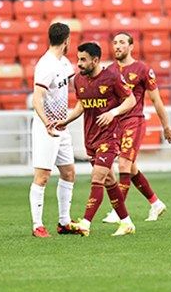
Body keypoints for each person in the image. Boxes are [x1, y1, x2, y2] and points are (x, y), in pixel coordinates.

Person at [50, 42, 136, 237]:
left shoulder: (112, 77)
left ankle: (86, 223)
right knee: (108, 181)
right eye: (78, 59)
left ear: (95, 60)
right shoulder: (79, 80)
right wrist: (65, 120)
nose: (78, 64)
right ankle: (126, 223)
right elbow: (82, 104)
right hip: (91, 138)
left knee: (97, 178)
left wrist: (113, 113)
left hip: (110, 136)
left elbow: (131, 100)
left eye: (83, 60)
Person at [102, 33, 171, 224]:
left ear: (131, 46)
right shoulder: (109, 71)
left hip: (134, 121)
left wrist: (166, 126)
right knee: (131, 168)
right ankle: (155, 203)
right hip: (115, 125)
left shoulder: (142, 69)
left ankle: (118, 212)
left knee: (124, 165)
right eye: (115, 43)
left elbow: (156, 99)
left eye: (121, 42)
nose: (117, 46)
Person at [28, 23, 77, 238]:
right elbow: (36, 97)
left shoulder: (64, 63)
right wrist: (46, 121)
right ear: (67, 40)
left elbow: (77, 85)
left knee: (68, 172)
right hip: (46, 127)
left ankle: (64, 222)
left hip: (62, 125)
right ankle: (37, 224)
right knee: (43, 176)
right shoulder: (46, 65)